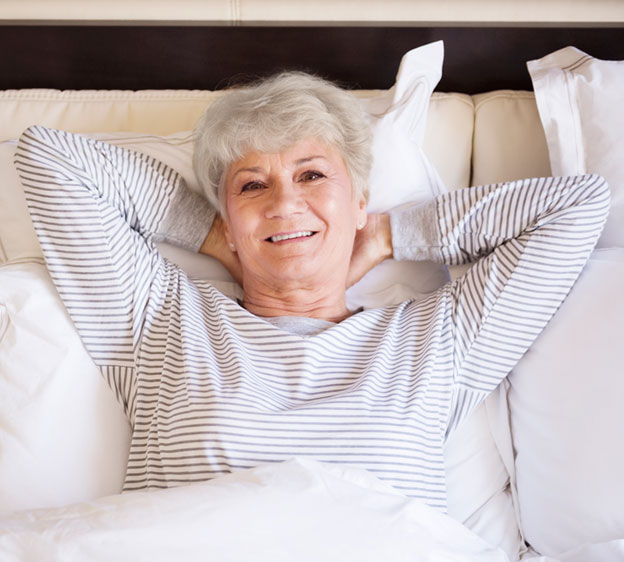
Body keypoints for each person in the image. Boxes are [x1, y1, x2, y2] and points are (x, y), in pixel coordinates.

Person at [14, 71, 609, 513]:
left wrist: (386, 236)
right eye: (252, 186)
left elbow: (578, 206)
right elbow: (49, 159)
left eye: (313, 174)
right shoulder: (161, 319)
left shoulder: (438, 339)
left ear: (358, 200)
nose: (284, 203)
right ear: (228, 215)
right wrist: (215, 237)